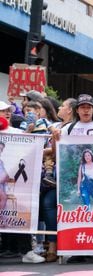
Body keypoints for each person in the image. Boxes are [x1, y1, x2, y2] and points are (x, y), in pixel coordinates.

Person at [52, 93, 93, 264]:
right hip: (82, 182)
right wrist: (54, 139)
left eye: (89, 107)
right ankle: (77, 249)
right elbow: (57, 153)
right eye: (82, 107)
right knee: (83, 212)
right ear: (77, 110)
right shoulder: (67, 129)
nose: (86, 110)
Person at [0, 101, 45, 264]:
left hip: (12, 184)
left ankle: (27, 251)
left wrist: (28, 133)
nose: (7, 113)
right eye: (2, 111)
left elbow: (27, 151)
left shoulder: (17, 133)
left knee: (20, 210)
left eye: (8, 111)